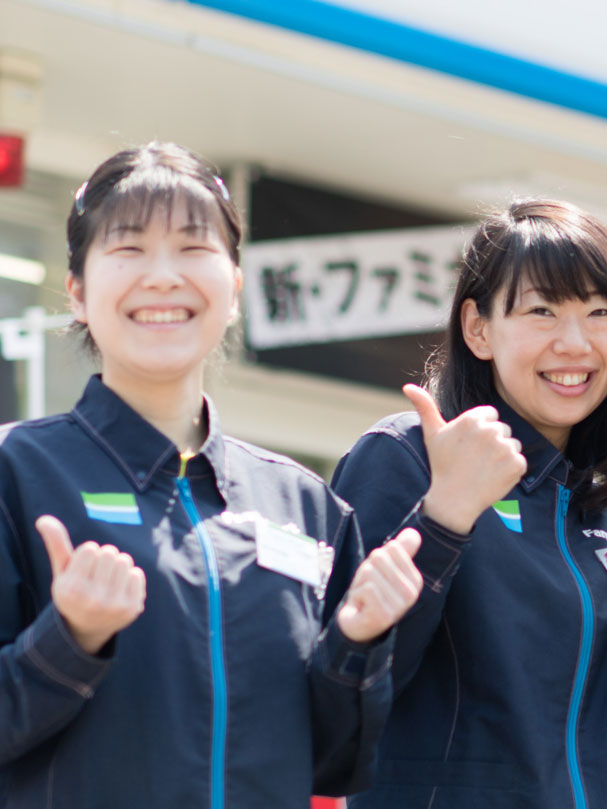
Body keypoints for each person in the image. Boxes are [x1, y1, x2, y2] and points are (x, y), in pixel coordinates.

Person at [0, 142, 422, 808]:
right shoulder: (17, 471)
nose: (164, 276)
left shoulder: (308, 508)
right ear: (77, 292)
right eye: (129, 249)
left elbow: (334, 764)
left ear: (235, 290)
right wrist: (69, 639)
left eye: (194, 248)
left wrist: (357, 642)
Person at [332, 198, 607, 808]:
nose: (575, 343)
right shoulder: (409, 458)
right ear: (478, 329)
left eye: (599, 312)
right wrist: (444, 521)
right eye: (542, 311)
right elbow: (349, 686)